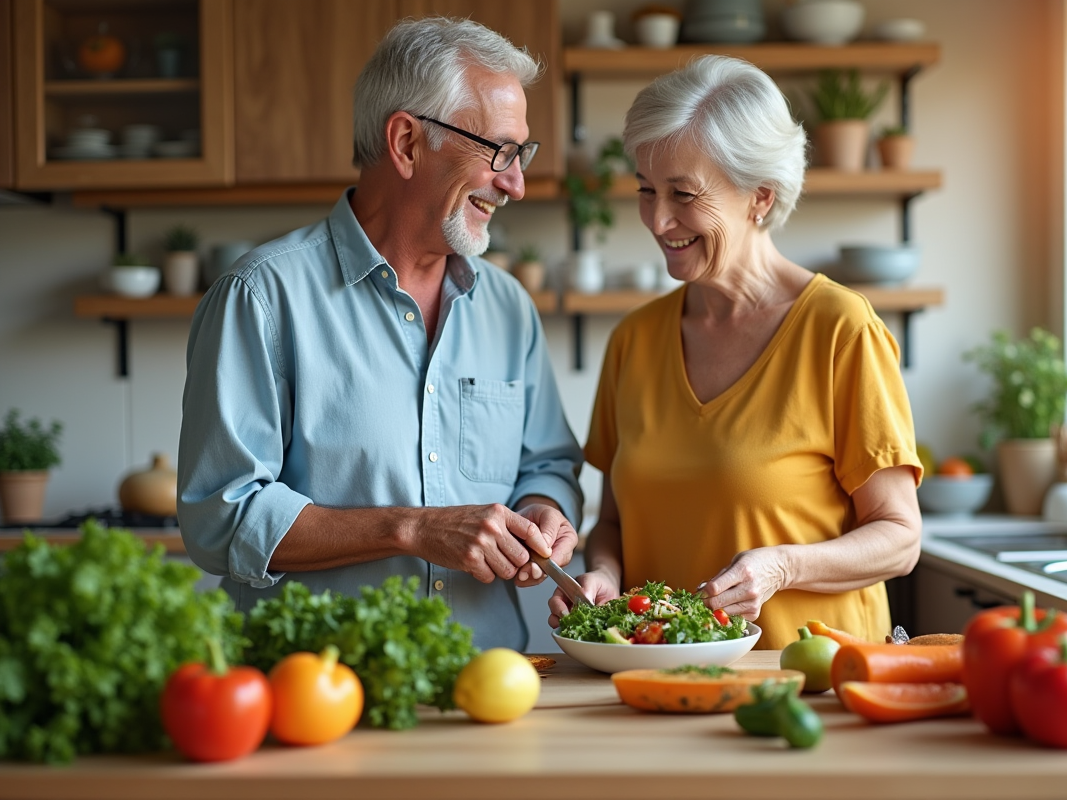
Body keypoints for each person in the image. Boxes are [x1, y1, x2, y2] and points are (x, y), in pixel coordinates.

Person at [178, 17, 583, 652]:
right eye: (499, 151)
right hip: (317, 699)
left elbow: (548, 464)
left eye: (520, 155)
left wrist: (544, 510)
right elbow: (221, 520)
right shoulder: (261, 296)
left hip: (488, 688)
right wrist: (412, 529)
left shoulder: (508, 307)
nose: (516, 184)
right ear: (407, 142)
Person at [549, 56, 923, 649]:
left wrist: (781, 567)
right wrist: (604, 574)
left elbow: (900, 537)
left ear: (760, 197)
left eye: (684, 193)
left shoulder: (840, 330)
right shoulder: (635, 341)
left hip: (814, 683)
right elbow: (615, 522)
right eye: (647, 190)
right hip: (662, 680)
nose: (658, 219)